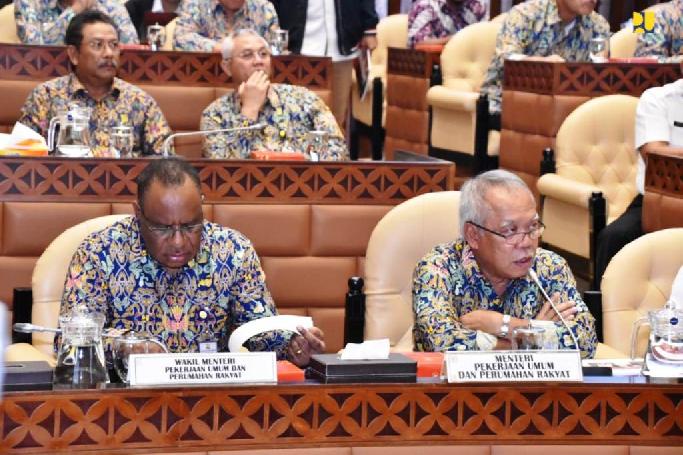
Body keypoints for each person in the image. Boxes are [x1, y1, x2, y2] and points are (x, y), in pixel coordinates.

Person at [60, 158, 326, 367]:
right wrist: (125, 347)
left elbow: (259, 332)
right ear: (138, 213)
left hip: (214, 401)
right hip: (124, 401)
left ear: (201, 207)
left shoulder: (233, 251)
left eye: (190, 226)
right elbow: (68, 342)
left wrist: (293, 347)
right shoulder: (98, 252)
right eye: (162, 228)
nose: (178, 242)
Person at [412, 169, 597, 358]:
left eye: (533, 226)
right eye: (510, 231)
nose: (526, 243)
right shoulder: (437, 269)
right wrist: (534, 337)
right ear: (473, 235)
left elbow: (585, 342)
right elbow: (440, 344)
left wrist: (504, 325)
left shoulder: (550, 266)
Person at [18, 10, 172, 156]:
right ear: (73, 54)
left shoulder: (140, 101)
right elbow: (22, 158)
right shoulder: (45, 97)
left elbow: (166, 161)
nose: (109, 53)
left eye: (114, 45)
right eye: (97, 45)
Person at [200, 29, 348, 160]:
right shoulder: (214, 114)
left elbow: (338, 152)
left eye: (263, 54)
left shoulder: (305, 99)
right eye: (247, 55)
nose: (258, 61)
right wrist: (249, 111)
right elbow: (222, 170)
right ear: (227, 67)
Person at [595, 76, 683, 285]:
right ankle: (601, 304)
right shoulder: (658, 98)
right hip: (659, 200)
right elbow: (653, 153)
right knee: (614, 237)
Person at [480, 0, 609, 116]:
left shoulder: (598, 25)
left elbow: (600, 76)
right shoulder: (525, 14)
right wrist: (544, 64)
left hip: (565, 109)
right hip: (507, 102)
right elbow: (505, 58)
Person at [269, 0, 378, 128]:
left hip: (341, 46)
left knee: (336, 118)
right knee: (294, 115)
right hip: (296, 46)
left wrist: (369, 27)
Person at [14, 0, 138, 45]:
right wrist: (74, 10)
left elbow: (131, 51)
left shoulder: (112, 7)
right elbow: (36, 53)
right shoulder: (29, 3)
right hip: (47, 82)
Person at [173, 0, 279, 52]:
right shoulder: (194, 4)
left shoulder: (264, 8)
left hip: (253, 78)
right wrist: (223, 48)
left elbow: (275, 49)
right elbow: (181, 38)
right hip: (205, 77)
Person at [407, 0, 487, 48]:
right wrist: (457, 38)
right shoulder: (426, 6)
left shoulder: (476, 6)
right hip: (434, 66)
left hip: (471, 65)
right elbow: (417, 44)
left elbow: (486, 40)